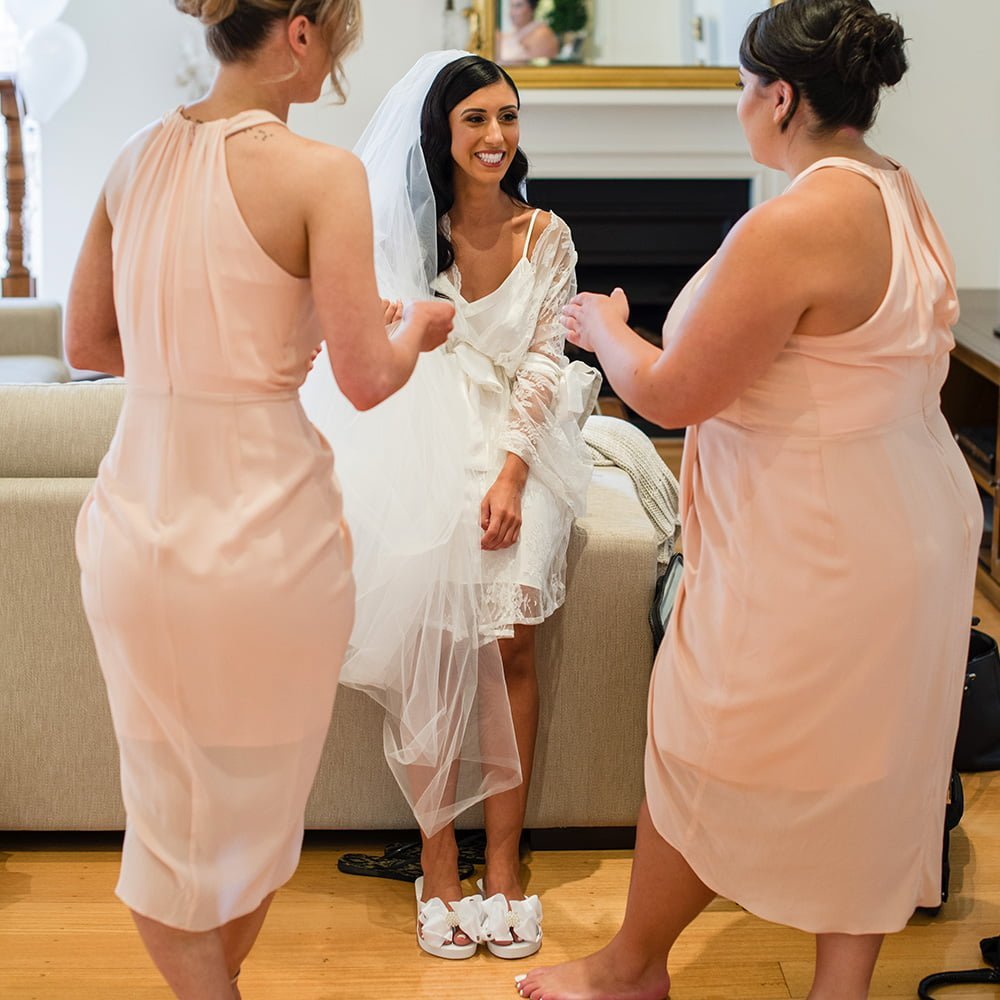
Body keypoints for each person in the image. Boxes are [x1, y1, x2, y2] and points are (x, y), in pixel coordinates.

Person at [514, 1, 981, 998]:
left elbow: (676, 391)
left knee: (701, 735)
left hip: (820, 536)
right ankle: (835, 987)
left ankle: (630, 966)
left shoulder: (799, 219)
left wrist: (605, 328)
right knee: (874, 757)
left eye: (739, 87)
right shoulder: (894, 190)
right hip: (911, 513)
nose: (736, 105)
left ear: (778, 97)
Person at [65, 2, 452, 997]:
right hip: (269, 533)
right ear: (297, 34)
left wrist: (194, 358)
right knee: (257, 810)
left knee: (168, 814)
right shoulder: (322, 175)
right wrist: (421, 329)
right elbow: (368, 376)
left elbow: (87, 346)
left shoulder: (128, 160)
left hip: (138, 522)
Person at [301, 51, 599, 961]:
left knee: (511, 636)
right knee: (430, 628)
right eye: (475, 119)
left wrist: (511, 474)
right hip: (422, 432)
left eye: (507, 117)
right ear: (441, 130)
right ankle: (438, 864)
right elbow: (369, 347)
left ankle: (504, 866)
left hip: (522, 438)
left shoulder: (546, 233)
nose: (497, 137)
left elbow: (548, 360)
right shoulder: (397, 230)